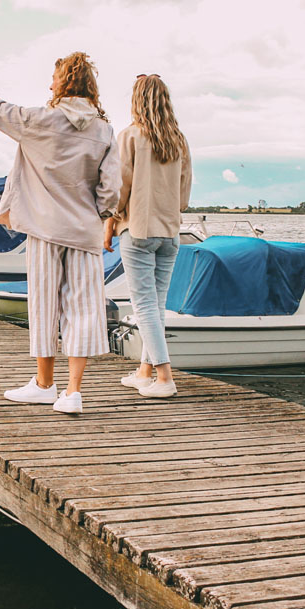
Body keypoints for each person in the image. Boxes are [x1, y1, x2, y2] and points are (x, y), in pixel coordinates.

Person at [0, 52, 120, 414]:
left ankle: (43, 384)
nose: (49, 84)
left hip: (44, 226)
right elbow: (111, 187)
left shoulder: (41, 120)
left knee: (43, 305)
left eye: (54, 78)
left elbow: (1, 110)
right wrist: (97, 215)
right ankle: (73, 393)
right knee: (82, 309)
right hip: (83, 231)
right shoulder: (104, 130)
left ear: (64, 82)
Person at [103, 73, 192, 398]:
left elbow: (119, 189)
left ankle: (165, 378)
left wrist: (110, 223)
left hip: (138, 230)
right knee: (156, 304)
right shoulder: (178, 140)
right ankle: (144, 372)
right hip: (169, 233)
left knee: (143, 306)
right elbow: (183, 196)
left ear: (137, 100)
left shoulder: (130, 136)